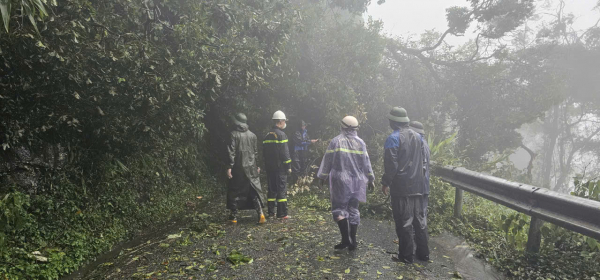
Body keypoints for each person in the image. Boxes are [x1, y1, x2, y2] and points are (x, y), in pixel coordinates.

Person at [317, 116, 375, 251]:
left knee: (339, 208)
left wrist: (322, 177)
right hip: (357, 181)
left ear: (342, 126)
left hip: (340, 181)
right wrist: (371, 179)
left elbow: (327, 161)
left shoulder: (336, 142)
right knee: (353, 209)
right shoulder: (361, 143)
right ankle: (353, 240)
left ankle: (345, 239)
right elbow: (367, 163)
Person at [381, 107, 429, 264]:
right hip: (419, 186)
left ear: (394, 122)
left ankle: (406, 257)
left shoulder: (393, 138)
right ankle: (423, 254)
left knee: (404, 222)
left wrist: (386, 182)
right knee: (419, 222)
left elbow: (391, 165)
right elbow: (423, 163)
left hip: (402, 188)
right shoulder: (419, 138)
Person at [226, 113, 265, 224]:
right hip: (251, 167)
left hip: (238, 168)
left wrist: (229, 167)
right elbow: (256, 153)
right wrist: (258, 166)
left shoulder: (233, 135)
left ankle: (233, 216)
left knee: (234, 190)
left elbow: (231, 152)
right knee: (254, 190)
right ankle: (260, 213)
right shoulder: (253, 135)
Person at [263, 110, 292, 219]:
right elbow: (285, 153)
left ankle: (271, 212)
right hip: (280, 168)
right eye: (284, 121)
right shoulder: (281, 135)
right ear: (280, 121)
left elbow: (264, 153)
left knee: (271, 190)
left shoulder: (267, 135)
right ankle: (282, 214)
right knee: (281, 190)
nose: (285, 123)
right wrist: (288, 166)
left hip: (270, 168)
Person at [410, 121, 430, 216]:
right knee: (421, 214)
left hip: (417, 186)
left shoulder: (417, 144)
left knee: (417, 215)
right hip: (424, 185)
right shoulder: (425, 143)